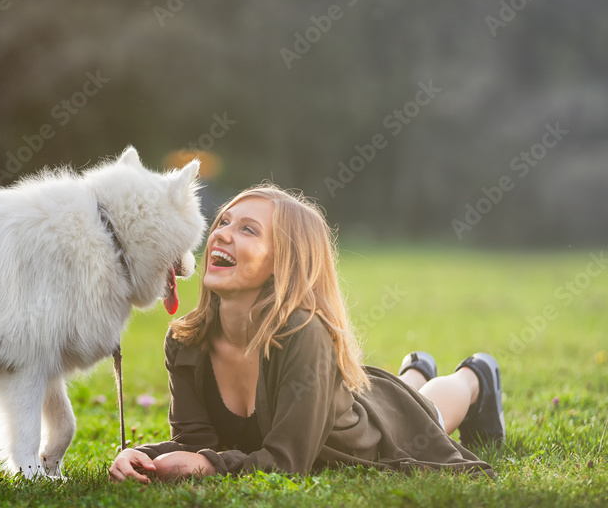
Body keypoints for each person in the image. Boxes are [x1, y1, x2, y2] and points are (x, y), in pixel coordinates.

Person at [109, 185, 502, 483]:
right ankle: (415, 370)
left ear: (285, 262)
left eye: (248, 230)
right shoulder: (186, 341)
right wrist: (141, 454)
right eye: (223, 222)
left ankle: (475, 377)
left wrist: (212, 466)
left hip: (364, 436)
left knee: (425, 412)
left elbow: (288, 460)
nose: (222, 234)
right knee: (403, 394)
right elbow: (193, 442)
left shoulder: (302, 333)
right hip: (341, 395)